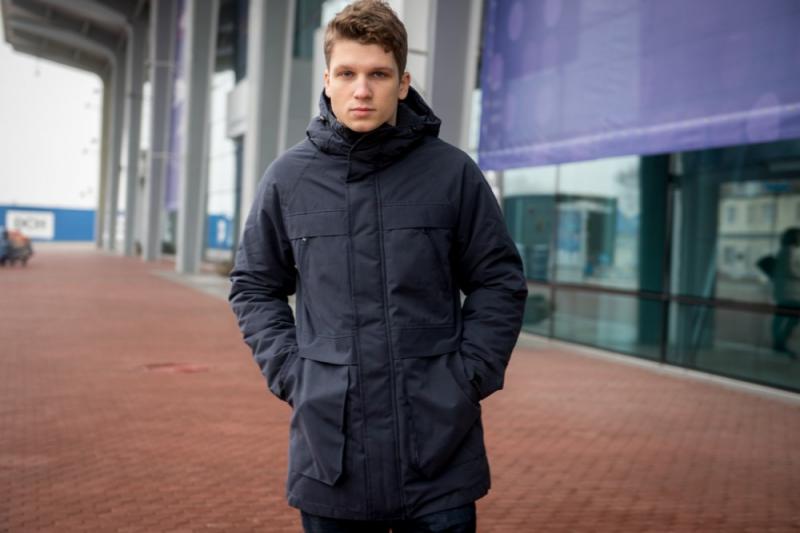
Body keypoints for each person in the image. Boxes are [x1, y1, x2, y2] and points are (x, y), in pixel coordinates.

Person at [229, 1, 528, 530]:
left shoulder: (452, 174)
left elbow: (498, 280)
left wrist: (469, 375)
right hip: (331, 452)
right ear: (327, 80)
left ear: (403, 83)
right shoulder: (288, 179)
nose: (361, 90)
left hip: (438, 451)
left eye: (378, 74)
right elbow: (254, 285)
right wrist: (293, 373)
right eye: (347, 73)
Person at [770, 227, 800, 359]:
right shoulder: (789, 251)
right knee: (788, 317)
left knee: (781, 317)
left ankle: (779, 342)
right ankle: (780, 342)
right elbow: (791, 270)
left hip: (786, 292)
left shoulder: (784, 251)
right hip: (790, 293)